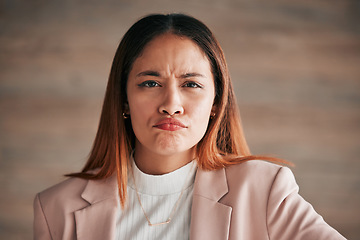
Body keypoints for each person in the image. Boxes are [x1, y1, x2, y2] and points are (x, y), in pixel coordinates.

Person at [33, 13, 346, 240]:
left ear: (215, 103)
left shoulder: (265, 190)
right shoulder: (56, 209)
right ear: (124, 99)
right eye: (150, 82)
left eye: (191, 84)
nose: (171, 104)